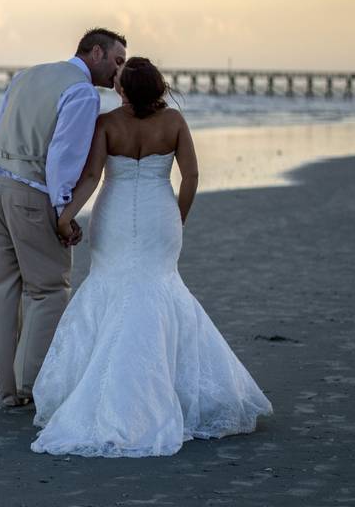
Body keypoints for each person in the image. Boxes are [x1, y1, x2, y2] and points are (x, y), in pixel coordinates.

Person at [30, 57, 273, 457]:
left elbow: (91, 179)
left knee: (111, 284)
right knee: (160, 289)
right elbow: (191, 176)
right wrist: (179, 216)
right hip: (161, 213)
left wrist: (65, 216)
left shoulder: (107, 124)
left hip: (116, 215)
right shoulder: (174, 122)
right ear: (158, 87)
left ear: (123, 90)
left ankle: (102, 391)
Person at [0, 28, 127, 408]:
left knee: (1, 289)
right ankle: (30, 385)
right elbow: (64, 155)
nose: (119, 72)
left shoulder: (26, 75)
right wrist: (65, 212)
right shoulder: (81, 92)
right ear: (96, 53)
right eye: (117, 61)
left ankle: (7, 390)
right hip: (33, 194)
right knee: (48, 290)